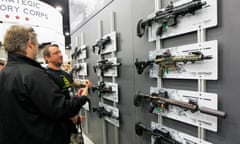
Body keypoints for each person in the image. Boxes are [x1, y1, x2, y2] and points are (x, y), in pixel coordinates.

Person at [0, 25, 90, 144]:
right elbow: (60, 108)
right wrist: (81, 98)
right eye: (37, 45)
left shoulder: (5, 73)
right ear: (30, 44)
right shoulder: (33, 74)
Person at [42, 44, 91, 138]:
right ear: (47, 58)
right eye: (55, 53)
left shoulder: (64, 73)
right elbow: (52, 104)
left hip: (70, 118)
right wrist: (70, 117)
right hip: (59, 125)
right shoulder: (46, 76)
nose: (60, 54)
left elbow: (72, 83)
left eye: (60, 52)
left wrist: (84, 84)